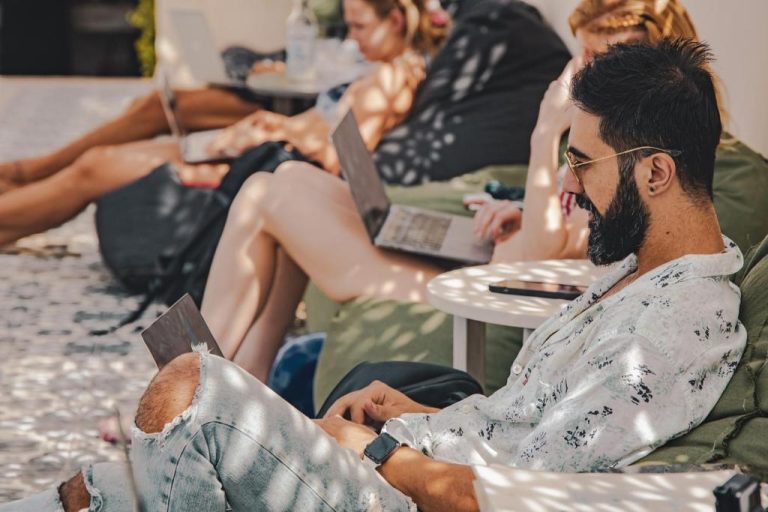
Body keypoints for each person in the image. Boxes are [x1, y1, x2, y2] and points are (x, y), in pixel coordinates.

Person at [3, 38, 747, 512]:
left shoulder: (674, 327)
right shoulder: (633, 273)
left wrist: (386, 454)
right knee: (100, 488)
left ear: (655, 173)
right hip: (409, 457)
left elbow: (534, 491)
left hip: (399, 495)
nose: (571, 184)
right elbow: (526, 423)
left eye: (581, 161)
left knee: (192, 390)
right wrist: (409, 414)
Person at [200, 0, 705, 381]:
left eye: (604, 60)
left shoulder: (633, 160)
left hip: (476, 287)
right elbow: (558, 225)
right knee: (290, 177)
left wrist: (544, 132)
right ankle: (239, 378)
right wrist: (515, 209)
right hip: (475, 258)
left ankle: (195, 373)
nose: (586, 73)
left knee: (265, 195)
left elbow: (548, 250)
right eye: (586, 56)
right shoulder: (605, 140)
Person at [0, 0, 448, 246]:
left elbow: (338, 158)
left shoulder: (391, 79)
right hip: (256, 152)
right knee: (100, 159)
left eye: (359, 27)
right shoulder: (380, 71)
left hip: (263, 168)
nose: (352, 38)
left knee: (96, 167)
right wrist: (273, 125)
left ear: (395, 20)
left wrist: (279, 131)